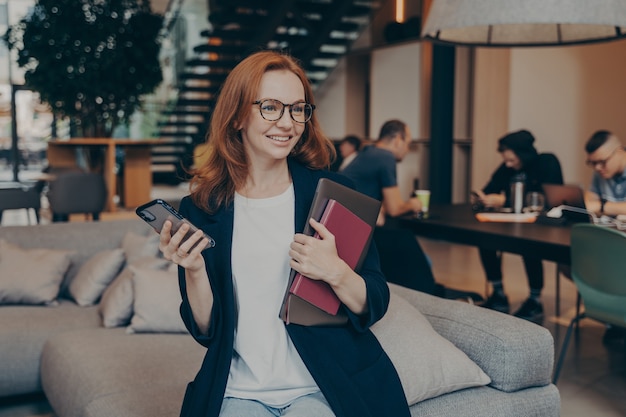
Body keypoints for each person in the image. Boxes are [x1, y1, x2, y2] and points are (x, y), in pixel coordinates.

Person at [157, 51, 410, 417]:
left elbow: (375, 302)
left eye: (297, 109)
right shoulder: (203, 208)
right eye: (271, 107)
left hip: (322, 387)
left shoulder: (335, 193)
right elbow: (207, 330)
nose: (287, 123)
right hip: (239, 390)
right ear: (238, 114)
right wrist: (195, 270)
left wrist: (335, 271)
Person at [474, 130, 563, 322]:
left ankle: (534, 300)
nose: (508, 165)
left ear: (523, 155)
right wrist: (485, 198)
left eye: (512, 161)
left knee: (528, 246)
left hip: (539, 225)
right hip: (511, 222)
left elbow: (549, 198)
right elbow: (489, 188)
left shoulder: (546, 163)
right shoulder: (507, 169)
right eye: (506, 161)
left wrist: (504, 200)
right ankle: (498, 294)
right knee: (484, 238)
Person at [583, 129, 626, 344]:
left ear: (619, 152)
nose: (598, 168)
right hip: (607, 241)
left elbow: (596, 205)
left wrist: (603, 206)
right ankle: (614, 317)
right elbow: (589, 200)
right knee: (573, 262)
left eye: (602, 162)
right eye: (593, 164)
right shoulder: (601, 172)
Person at [341, 119, 422, 225]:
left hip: (341, 216)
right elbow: (394, 209)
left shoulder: (370, 151)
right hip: (348, 222)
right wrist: (413, 204)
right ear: (398, 140)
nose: (407, 149)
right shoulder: (385, 157)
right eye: (407, 144)